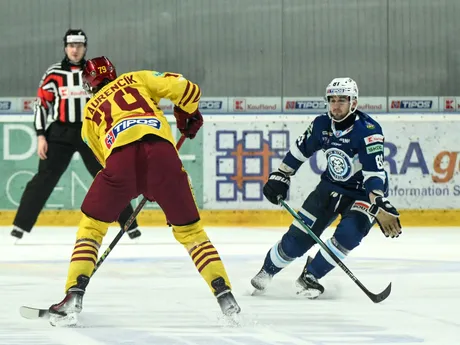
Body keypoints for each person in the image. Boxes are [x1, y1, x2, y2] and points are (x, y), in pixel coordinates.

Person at [47, 56, 241, 326]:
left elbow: (105, 158)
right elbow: (189, 90)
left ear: (90, 85)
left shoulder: (90, 111)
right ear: (114, 73)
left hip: (121, 162)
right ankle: (224, 293)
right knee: (191, 233)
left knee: (91, 228)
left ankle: (73, 294)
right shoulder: (137, 78)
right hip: (163, 158)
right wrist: (187, 113)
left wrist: (138, 182)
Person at [251, 77, 402, 298]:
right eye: (332, 99)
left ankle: (311, 276)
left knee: (349, 235)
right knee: (296, 242)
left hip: (362, 194)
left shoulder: (368, 130)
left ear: (354, 103)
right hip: (329, 188)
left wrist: (378, 200)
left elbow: (373, 173)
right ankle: (266, 273)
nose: (337, 105)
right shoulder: (322, 125)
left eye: (343, 99)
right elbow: (300, 150)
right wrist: (281, 174)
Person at [10, 29, 141, 241]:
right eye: (71, 45)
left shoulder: (94, 72)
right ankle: (20, 226)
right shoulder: (54, 73)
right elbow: (41, 105)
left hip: (90, 131)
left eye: (79, 46)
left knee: (109, 176)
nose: (75, 50)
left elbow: (110, 99)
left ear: (85, 47)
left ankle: (129, 224)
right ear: (65, 47)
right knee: (44, 178)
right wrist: (41, 135)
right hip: (61, 131)